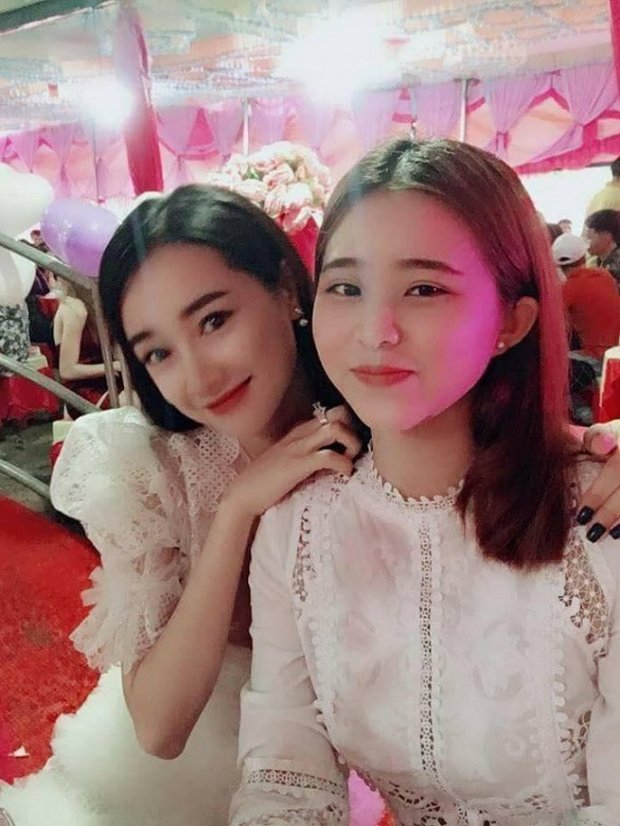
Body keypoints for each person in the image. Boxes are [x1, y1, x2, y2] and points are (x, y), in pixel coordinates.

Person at [230, 138, 620, 825]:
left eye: (424, 289)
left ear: (512, 321)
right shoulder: (300, 526)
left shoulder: (600, 516)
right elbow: (285, 768)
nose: (375, 332)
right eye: (346, 288)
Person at [0, 185, 368, 826]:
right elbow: (159, 729)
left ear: (286, 288)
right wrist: (236, 512)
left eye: (214, 321)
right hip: (165, 790)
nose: (199, 377)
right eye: (159, 353)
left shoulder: (379, 415)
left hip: (334, 765)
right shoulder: (150, 466)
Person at [553, 233, 620, 359]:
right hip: (613, 354)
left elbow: (550, 323)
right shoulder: (605, 275)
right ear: (583, 257)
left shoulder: (568, 287)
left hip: (592, 357)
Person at [584, 209, 620, 287]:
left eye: (589, 239)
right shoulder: (601, 260)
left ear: (605, 236)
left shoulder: (615, 268)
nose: (586, 244)